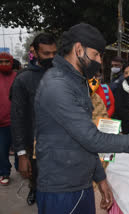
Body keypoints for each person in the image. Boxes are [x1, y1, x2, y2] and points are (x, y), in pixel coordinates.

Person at [34, 23, 129, 214]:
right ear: (79, 49)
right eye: (96, 54)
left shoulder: (75, 82)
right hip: (62, 187)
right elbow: (92, 138)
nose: (99, 60)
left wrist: (100, 178)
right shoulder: (58, 86)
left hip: (80, 180)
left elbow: (84, 140)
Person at [10, 33, 57, 205]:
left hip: (60, 141)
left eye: (54, 53)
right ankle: (34, 190)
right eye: (46, 53)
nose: (51, 57)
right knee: (36, 177)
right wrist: (22, 154)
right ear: (35, 53)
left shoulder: (62, 74)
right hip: (34, 142)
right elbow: (17, 118)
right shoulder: (23, 79)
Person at [0, 52, 17, 186]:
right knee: (2, 150)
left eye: (7, 61)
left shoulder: (17, 77)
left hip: (17, 121)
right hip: (1, 123)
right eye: (1, 62)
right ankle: (4, 172)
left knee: (20, 148)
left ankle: (22, 169)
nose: (4, 64)